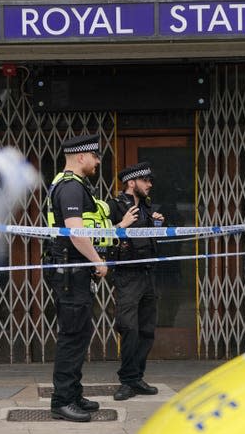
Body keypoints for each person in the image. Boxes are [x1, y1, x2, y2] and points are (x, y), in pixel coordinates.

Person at [45, 133, 114, 422]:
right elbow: (76, 231)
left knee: (80, 333)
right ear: (81, 157)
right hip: (71, 273)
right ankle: (62, 400)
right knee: (72, 336)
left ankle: (73, 393)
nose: (98, 162)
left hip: (73, 272)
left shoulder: (72, 185)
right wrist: (97, 260)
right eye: (96, 157)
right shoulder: (71, 187)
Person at [106, 162, 164, 401]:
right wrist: (121, 226)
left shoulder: (148, 208)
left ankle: (137, 377)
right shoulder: (114, 206)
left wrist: (160, 224)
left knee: (146, 329)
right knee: (128, 327)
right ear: (132, 182)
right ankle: (127, 381)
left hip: (148, 274)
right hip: (127, 275)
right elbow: (100, 235)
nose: (150, 185)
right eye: (146, 180)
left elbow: (153, 239)